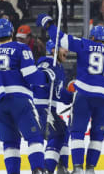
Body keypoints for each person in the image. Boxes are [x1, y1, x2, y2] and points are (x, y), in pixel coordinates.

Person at [36, 14, 104, 174]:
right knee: (97, 135)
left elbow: (60, 39)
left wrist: (48, 24)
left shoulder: (84, 44)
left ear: (91, 37)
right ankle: (90, 169)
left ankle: (77, 168)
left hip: (83, 96)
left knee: (77, 132)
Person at [0, 18, 49, 174]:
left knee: (10, 143)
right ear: (12, 32)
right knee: (34, 138)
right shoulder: (21, 48)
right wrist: (46, 77)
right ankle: (38, 170)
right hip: (19, 99)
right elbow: (30, 75)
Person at [34, 40, 73, 174]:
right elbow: (41, 80)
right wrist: (72, 97)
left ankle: (62, 166)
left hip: (47, 108)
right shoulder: (48, 62)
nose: (67, 51)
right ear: (53, 50)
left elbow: (57, 92)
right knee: (57, 135)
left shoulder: (57, 66)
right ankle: (48, 168)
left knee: (63, 132)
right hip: (41, 107)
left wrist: (71, 97)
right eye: (64, 48)